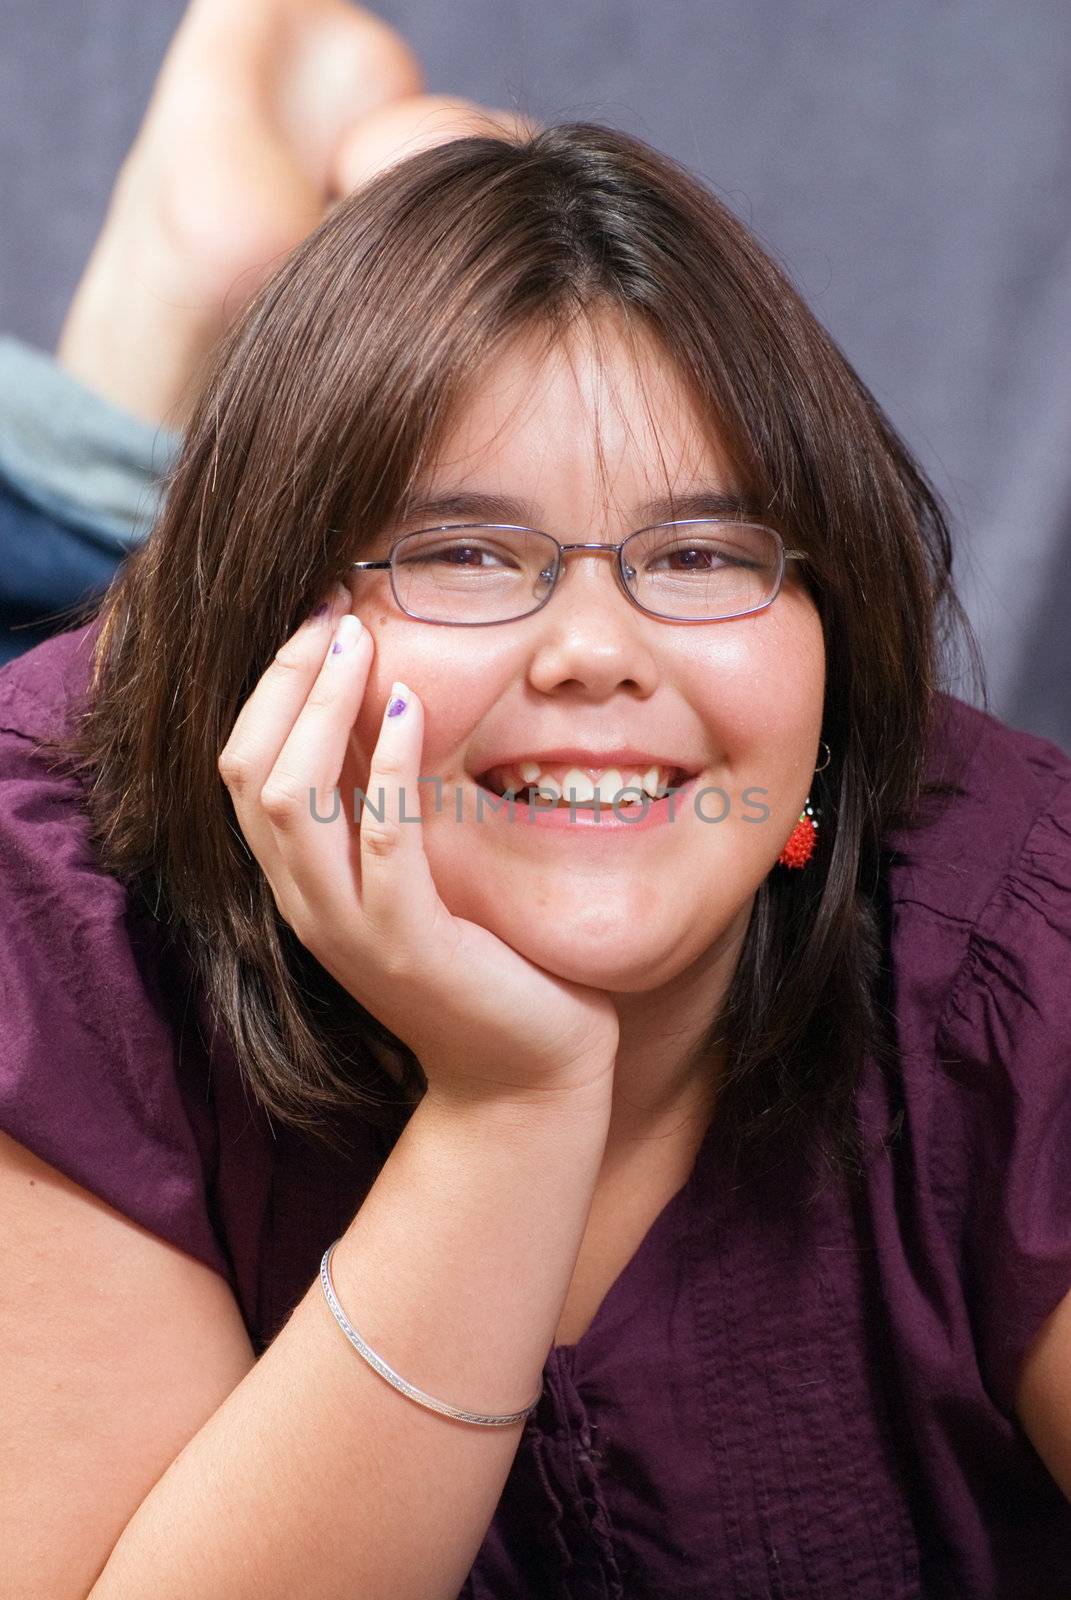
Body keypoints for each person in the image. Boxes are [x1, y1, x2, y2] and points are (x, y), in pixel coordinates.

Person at [2, 5, 1070, 1598]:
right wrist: (511, 1109)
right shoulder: (62, 876)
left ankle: (373, 267)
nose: (595, 652)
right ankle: (214, 315)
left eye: (704, 555)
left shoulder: (1008, 917)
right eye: (462, 550)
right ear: (277, 628)